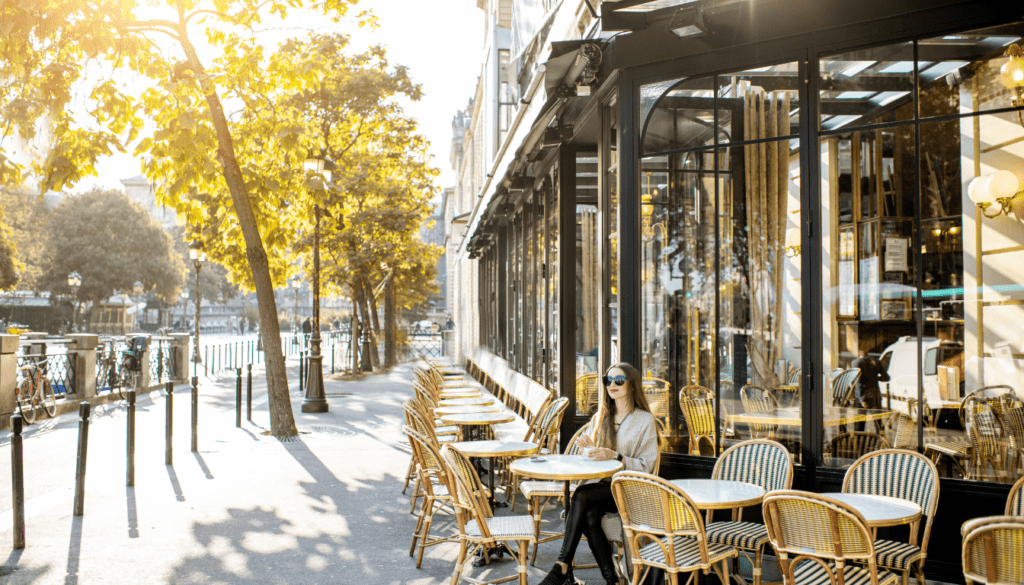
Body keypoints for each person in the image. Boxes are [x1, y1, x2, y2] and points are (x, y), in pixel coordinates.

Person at [539, 362, 660, 585]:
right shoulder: (600, 417)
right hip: (602, 489)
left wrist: (617, 456)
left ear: (631, 384)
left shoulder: (645, 420)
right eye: (608, 381)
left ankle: (562, 566)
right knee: (589, 513)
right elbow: (594, 462)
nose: (612, 385)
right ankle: (610, 580)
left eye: (619, 380)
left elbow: (647, 466)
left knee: (581, 496)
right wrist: (589, 449)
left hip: (629, 489)